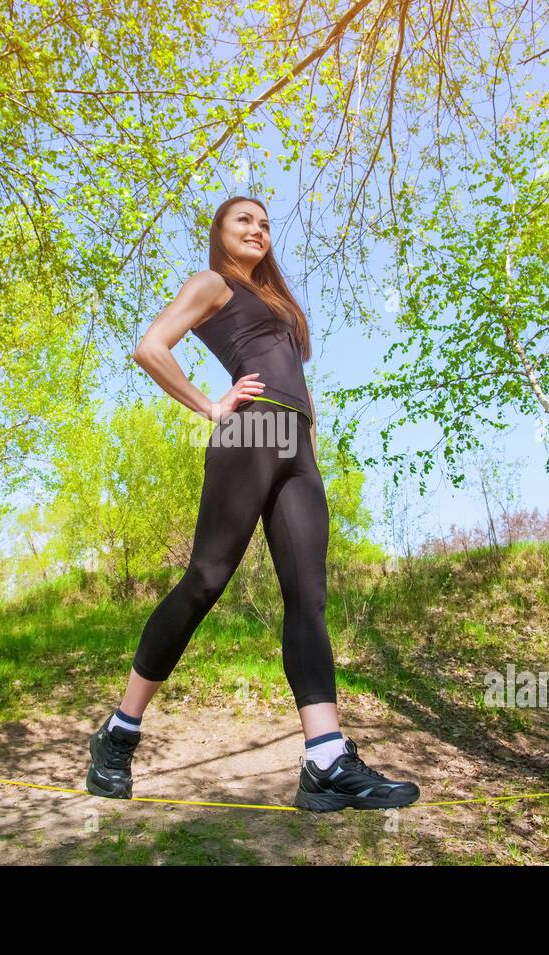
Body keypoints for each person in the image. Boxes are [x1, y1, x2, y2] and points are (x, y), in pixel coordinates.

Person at [84, 196, 420, 812]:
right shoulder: (211, 283)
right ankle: (118, 734)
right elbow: (151, 347)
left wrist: (310, 449)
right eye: (244, 220)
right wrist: (210, 406)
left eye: (266, 223)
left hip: (296, 443)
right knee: (205, 580)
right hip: (249, 431)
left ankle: (324, 759)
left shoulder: (279, 305)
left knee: (308, 596)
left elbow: (296, 377)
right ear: (219, 232)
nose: (258, 229)